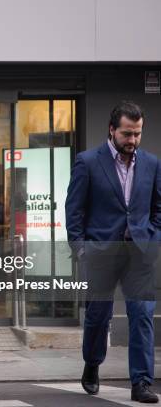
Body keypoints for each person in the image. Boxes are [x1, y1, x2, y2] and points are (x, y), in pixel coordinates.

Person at [66, 101, 161, 403]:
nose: (132, 140)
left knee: (142, 316)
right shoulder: (88, 162)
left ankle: (142, 382)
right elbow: (74, 210)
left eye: (137, 134)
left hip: (140, 254)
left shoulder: (152, 164)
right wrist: (81, 249)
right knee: (97, 316)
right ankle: (92, 364)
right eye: (126, 134)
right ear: (112, 130)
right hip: (101, 253)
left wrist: (153, 237)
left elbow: (158, 207)